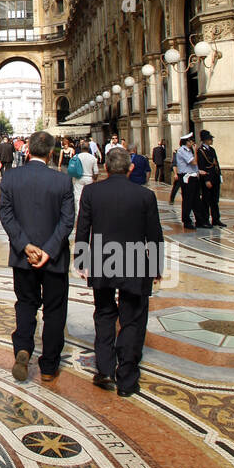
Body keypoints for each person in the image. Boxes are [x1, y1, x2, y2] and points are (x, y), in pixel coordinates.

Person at [75, 146, 163, 397]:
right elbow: (154, 235)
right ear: (131, 168)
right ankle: (126, 378)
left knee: (103, 314)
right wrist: (156, 267)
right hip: (136, 262)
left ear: (105, 167)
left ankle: (104, 369)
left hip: (102, 259)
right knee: (133, 318)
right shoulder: (145, 196)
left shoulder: (92, 192)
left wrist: (81, 261)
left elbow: (83, 228)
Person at [0, 130, 75, 384]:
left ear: (27, 149)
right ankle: (50, 366)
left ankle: (23, 348)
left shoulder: (10, 178)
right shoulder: (62, 181)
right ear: (52, 153)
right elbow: (67, 221)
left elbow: (5, 215)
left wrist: (25, 246)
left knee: (26, 303)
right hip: (53, 260)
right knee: (54, 310)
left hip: (23, 258)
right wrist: (49, 250)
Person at [195, 131, 223, 227]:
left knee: (215, 200)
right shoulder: (200, 151)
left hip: (215, 178)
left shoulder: (212, 150)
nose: (211, 140)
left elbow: (216, 164)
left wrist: (220, 176)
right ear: (205, 140)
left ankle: (216, 219)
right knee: (206, 200)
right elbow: (202, 166)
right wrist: (206, 179)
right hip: (207, 179)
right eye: (210, 139)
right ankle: (205, 220)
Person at [175, 131, 201, 230]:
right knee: (188, 200)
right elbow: (194, 162)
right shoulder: (182, 150)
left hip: (193, 177)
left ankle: (200, 220)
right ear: (186, 142)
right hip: (186, 177)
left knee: (196, 199)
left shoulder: (188, 150)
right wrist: (195, 151)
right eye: (191, 141)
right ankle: (186, 221)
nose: (193, 143)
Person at [69, 139, 98, 214]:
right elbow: (96, 172)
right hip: (89, 178)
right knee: (90, 197)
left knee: (78, 197)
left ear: (81, 147)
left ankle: (78, 214)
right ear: (89, 148)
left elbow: (72, 169)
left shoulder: (76, 157)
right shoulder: (93, 158)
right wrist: (94, 179)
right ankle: (89, 213)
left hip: (78, 178)